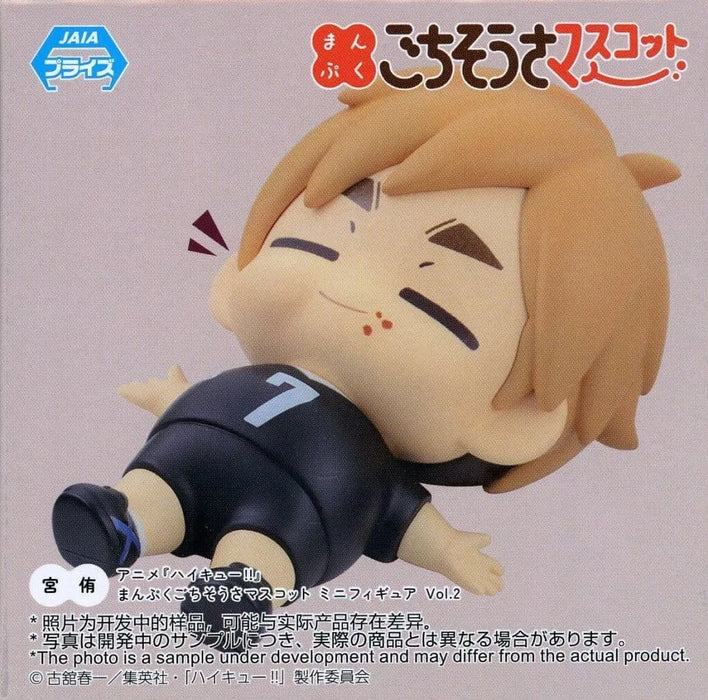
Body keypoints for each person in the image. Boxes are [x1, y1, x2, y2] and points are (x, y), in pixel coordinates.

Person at [53, 73, 678, 651]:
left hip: (300, 512)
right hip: (192, 446)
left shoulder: (367, 470)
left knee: (263, 545)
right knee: (157, 488)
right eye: (314, 244)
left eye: (428, 303)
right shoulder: (252, 377)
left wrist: (448, 551)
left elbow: (399, 516)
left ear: (515, 422)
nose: (347, 289)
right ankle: (124, 522)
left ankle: (243, 588)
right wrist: (174, 399)